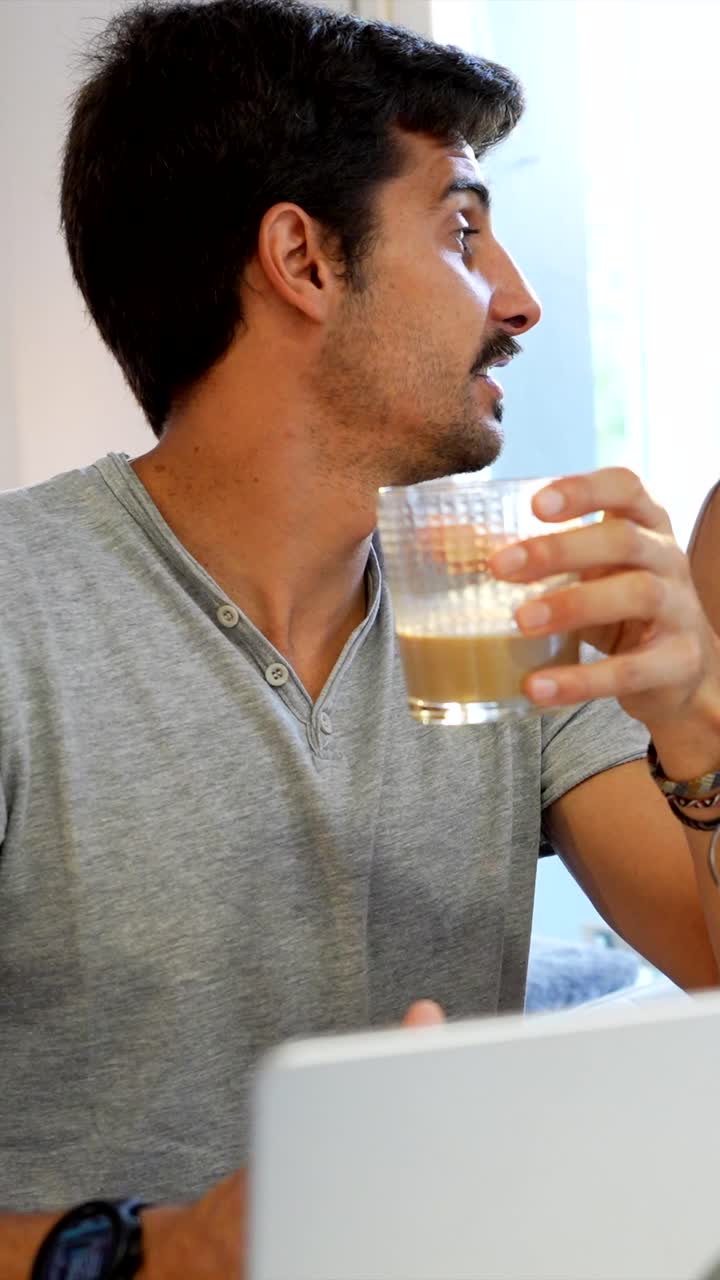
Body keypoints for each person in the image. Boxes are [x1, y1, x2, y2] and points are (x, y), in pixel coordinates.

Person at [3, 0, 720, 1276]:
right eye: (463, 229)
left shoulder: (495, 598)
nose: (521, 298)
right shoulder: (20, 616)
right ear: (305, 260)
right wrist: (151, 1252)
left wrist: (696, 721)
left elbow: (710, 958)